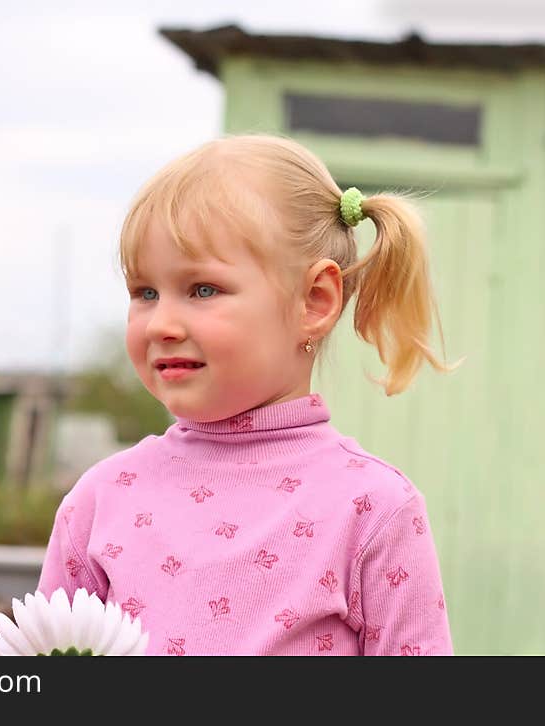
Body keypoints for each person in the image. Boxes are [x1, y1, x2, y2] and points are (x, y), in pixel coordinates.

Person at [37, 133, 462, 655]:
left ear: (314, 301)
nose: (162, 324)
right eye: (145, 292)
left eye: (203, 289)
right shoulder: (99, 502)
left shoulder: (372, 509)